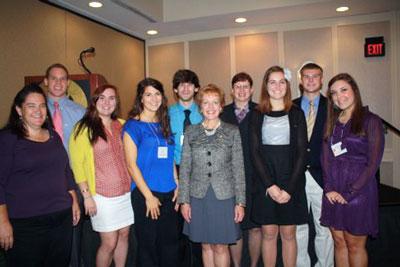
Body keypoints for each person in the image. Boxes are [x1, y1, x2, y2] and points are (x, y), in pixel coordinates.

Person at [0, 84, 80, 267]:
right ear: (19, 110)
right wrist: (2, 222)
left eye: (42, 105)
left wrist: (73, 199)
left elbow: (65, 170)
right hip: (25, 224)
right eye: (31, 106)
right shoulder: (7, 139)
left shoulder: (53, 136)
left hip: (61, 218)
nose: (38, 111)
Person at [320, 73, 384, 267]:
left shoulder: (371, 121)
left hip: (359, 191)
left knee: (354, 246)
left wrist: (350, 192)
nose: (339, 96)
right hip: (333, 189)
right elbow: (326, 158)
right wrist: (329, 187)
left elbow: (373, 163)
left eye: (344, 90)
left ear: (354, 90)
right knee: (339, 243)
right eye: (334, 93)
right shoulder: (332, 121)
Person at [178, 84, 246, 267]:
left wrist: (240, 202)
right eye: (206, 103)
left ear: (221, 106)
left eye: (215, 102)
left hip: (224, 197)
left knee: (221, 247)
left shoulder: (232, 131)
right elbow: (184, 168)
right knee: (206, 246)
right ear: (200, 106)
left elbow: (238, 169)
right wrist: (184, 201)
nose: (210, 107)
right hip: (198, 197)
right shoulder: (191, 131)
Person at [69, 85, 134, 267]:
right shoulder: (82, 128)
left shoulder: (122, 124)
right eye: (102, 98)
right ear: (94, 101)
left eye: (112, 98)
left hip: (126, 193)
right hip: (102, 196)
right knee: (109, 242)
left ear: (117, 102)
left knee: (124, 235)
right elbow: (78, 165)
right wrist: (87, 196)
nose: (107, 103)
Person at [249, 66, 308, 267]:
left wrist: (289, 189)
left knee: (289, 233)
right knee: (269, 233)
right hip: (266, 182)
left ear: (287, 85)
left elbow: (301, 153)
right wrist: (270, 186)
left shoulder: (297, 113)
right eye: (272, 82)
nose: (277, 86)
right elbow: (254, 152)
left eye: (282, 81)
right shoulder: (256, 114)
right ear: (266, 86)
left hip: (290, 181)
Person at [123, 78, 180, 267]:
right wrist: (148, 196)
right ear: (140, 98)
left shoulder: (164, 123)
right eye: (148, 94)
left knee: (170, 245)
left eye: (157, 94)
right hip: (146, 194)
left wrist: (177, 183)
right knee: (148, 247)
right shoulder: (132, 126)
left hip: (169, 193)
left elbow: (170, 157)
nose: (153, 99)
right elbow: (131, 165)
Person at [44, 63, 86, 267]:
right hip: (43, 181)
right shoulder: (36, 109)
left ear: (68, 83)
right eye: (54, 78)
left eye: (62, 79)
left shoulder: (81, 112)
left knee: (73, 231)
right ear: (45, 81)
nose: (58, 83)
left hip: (73, 179)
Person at [293, 63, 333, 267]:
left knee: (323, 227)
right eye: (306, 76)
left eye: (315, 76)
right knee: (299, 227)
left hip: (322, 176)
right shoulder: (289, 106)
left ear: (322, 79)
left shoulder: (333, 106)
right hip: (296, 177)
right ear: (300, 80)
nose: (310, 80)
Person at [220, 72, 261, 267]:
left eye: (246, 87)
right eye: (238, 87)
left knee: (255, 228)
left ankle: (253, 264)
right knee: (235, 226)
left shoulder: (261, 111)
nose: (242, 91)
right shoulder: (222, 113)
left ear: (252, 90)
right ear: (232, 91)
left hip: (256, 177)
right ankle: (237, 265)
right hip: (230, 179)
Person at [168, 69, 203, 267]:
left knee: (197, 222)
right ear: (175, 89)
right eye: (181, 84)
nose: (185, 87)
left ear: (196, 88)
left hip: (199, 170)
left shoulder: (205, 111)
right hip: (175, 171)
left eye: (190, 84)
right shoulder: (167, 113)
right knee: (177, 225)